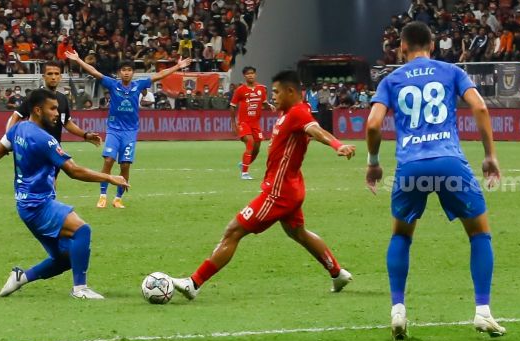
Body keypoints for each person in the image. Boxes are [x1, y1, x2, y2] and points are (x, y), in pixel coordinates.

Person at [365, 21, 505, 341]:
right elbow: (480, 107)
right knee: (479, 233)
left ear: (402, 47)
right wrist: (489, 156)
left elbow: (373, 124)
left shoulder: (391, 79)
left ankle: (398, 309)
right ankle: (483, 311)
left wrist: (373, 163)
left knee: (401, 235)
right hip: (449, 162)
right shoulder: (450, 71)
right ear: (432, 44)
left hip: (410, 166)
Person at [171, 71, 356, 301]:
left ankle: (193, 283)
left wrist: (337, 144)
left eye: (277, 92)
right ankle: (337, 273)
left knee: (233, 231)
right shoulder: (289, 112)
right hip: (291, 187)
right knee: (298, 233)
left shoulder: (298, 112)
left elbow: (315, 130)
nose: (273, 96)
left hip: (278, 193)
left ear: (291, 92)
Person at [0, 89, 129, 299]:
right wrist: (109, 178)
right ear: (37, 110)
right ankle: (80, 289)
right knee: (82, 231)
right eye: (52, 108)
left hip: (25, 206)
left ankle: (21, 278)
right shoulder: (45, 140)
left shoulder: (18, 130)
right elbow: (73, 171)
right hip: (39, 205)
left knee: (66, 258)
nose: (57, 113)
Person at [65, 50, 191, 209]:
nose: (126, 73)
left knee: (125, 165)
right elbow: (94, 72)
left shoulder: (139, 85)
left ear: (133, 72)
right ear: (119, 72)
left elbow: (160, 75)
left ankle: (118, 198)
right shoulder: (112, 84)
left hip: (130, 132)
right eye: (123, 70)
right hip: (113, 130)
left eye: (129, 70)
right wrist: (78, 60)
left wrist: (178, 66)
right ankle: (102, 195)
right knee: (108, 160)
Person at [6, 61, 101, 150]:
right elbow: (16, 115)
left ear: (60, 77)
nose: (53, 77)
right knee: (71, 167)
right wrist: (9, 138)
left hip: (55, 148)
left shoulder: (63, 98)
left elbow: (67, 123)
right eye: (50, 74)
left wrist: (85, 135)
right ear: (44, 76)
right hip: (35, 149)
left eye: (56, 74)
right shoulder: (34, 96)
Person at [230, 66, 275, 180]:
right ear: (244, 76)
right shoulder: (240, 90)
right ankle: (244, 173)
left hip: (256, 124)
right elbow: (232, 106)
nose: (250, 75)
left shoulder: (261, 89)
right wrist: (233, 123)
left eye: (252, 73)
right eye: (248, 74)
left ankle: (244, 164)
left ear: (255, 75)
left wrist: (269, 105)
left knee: (257, 148)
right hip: (244, 123)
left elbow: (263, 103)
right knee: (250, 142)